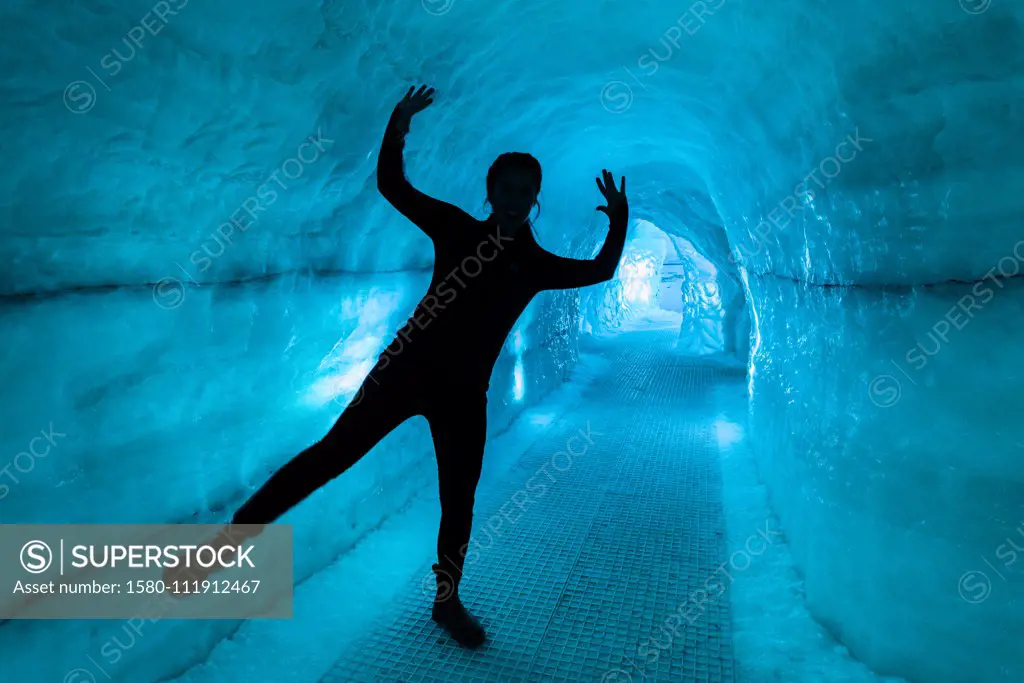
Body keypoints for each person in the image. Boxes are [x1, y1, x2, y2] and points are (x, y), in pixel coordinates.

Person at [174, 85, 629, 648]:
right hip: (403, 371)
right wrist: (398, 124)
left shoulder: (533, 263)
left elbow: (602, 270)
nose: (514, 199)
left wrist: (619, 220)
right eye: (506, 189)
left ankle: (447, 601)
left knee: (458, 499)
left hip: (463, 395)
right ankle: (223, 544)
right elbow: (393, 185)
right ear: (490, 192)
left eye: (525, 192)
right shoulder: (457, 229)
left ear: (535, 198)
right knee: (328, 457)